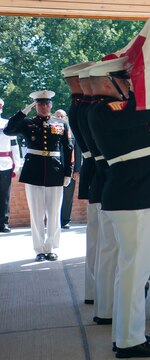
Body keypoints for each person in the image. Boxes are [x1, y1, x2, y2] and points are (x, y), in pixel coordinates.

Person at [87, 57, 150, 358]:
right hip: (134, 198)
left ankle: (127, 334)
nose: (131, 83)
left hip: (135, 196)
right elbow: (145, 108)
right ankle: (129, 341)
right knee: (133, 272)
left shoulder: (111, 109)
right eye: (125, 79)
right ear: (109, 82)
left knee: (131, 272)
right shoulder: (106, 109)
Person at [4, 90, 73, 261]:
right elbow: (8, 130)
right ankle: (39, 250)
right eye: (40, 104)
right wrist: (22, 112)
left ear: (51, 105)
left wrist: (68, 172)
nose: (44, 107)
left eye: (47, 103)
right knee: (36, 213)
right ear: (36, 106)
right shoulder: (27, 123)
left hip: (55, 172)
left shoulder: (61, 124)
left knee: (54, 212)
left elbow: (68, 148)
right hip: (33, 172)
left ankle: (51, 247)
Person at [61, 60, 97, 305]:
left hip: (95, 172)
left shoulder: (80, 105)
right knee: (99, 240)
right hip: (98, 172)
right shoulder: (83, 107)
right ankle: (97, 292)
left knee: (97, 239)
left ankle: (94, 292)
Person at [54, 109, 82, 229]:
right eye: (57, 116)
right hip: (54, 169)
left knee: (68, 196)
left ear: (66, 118)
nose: (59, 118)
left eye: (62, 116)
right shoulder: (50, 132)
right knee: (54, 195)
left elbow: (78, 152)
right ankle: (54, 220)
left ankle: (65, 220)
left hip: (70, 168)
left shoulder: (73, 132)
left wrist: (77, 170)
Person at [0, 98, 21, 233]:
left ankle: (3, 223)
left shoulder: (7, 123)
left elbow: (14, 145)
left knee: (4, 195)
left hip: (5, 163)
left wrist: (17, 164)